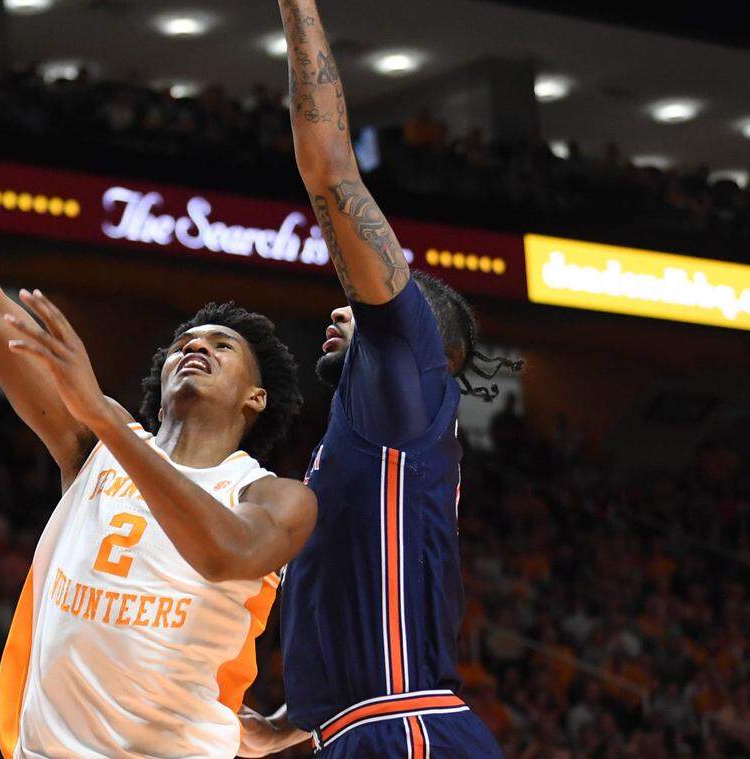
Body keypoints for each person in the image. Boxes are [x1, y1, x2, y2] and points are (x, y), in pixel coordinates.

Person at [0, 8, 317, 758]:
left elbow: (223, 555)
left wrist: (106, 417)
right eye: (183, 341)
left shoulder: (271, 496)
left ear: (256, 396)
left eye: (220, 345)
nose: (194, 348)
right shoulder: (93, 448)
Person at [239, 1, 520, 756]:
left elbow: (329, 167)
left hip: (405, 729)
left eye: (361, 300)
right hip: (371, 727)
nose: (342, 304)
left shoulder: (408, 362)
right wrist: (291, 723)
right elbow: (371, 588)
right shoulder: (373, 429)